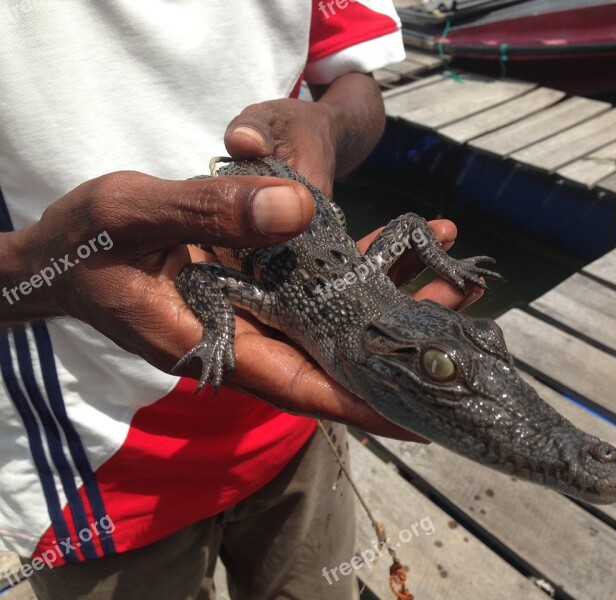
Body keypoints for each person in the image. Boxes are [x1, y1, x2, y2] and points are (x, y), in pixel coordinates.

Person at [0, 3, 479, 599]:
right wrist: (34, 272)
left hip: (305, 420)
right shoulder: (266, 299)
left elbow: (357, 84)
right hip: (95, 472)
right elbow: (202, 282)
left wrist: (325, 125)